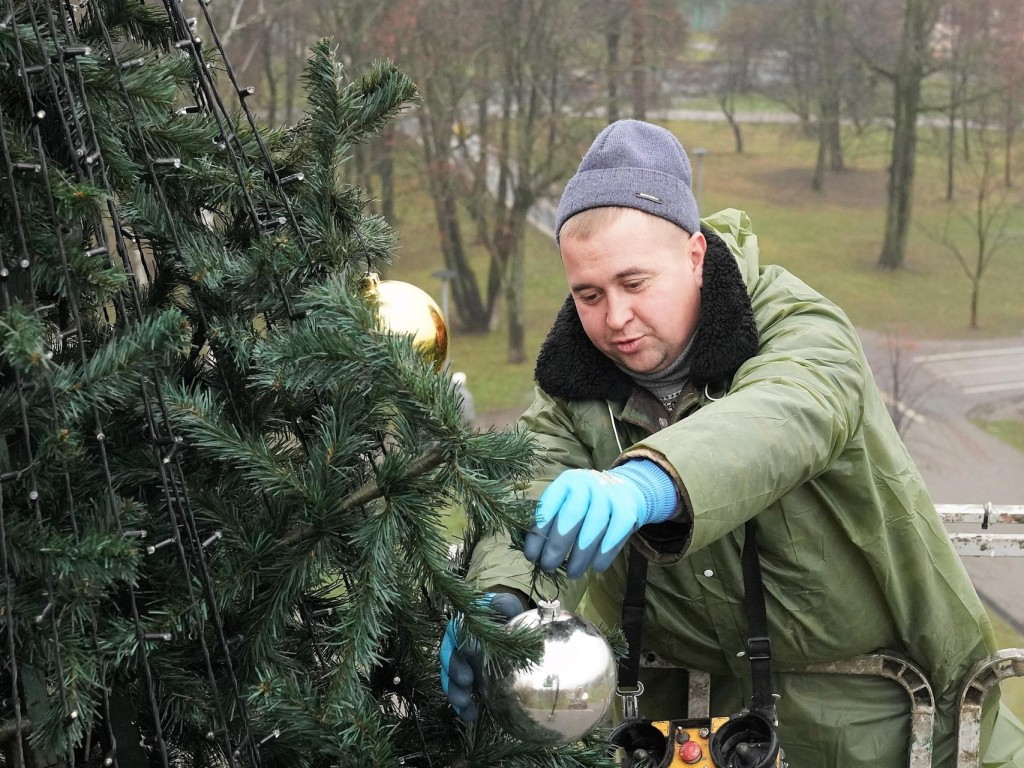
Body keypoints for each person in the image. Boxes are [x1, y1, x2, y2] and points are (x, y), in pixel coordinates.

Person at [439, 119, 1024, 766]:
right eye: (588, 294)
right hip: (678, 721)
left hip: (885, 719)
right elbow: (529, 487)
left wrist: (647, 482)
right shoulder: (571, 383)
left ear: (695, 256)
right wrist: (501, 601)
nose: (615, 318)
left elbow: (785, 414)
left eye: (635, 284)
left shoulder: (798, 325)